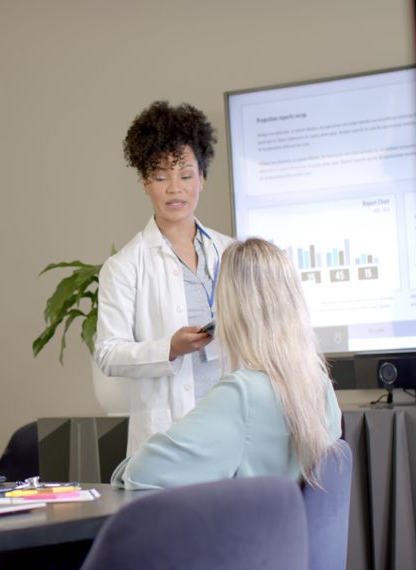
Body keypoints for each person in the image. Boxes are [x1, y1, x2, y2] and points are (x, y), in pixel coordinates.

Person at [111, 238, 342, 490]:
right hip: (295, 530)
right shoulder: (321, 385)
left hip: (246, 529)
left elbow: (143, 472)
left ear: (233, 310)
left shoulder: (242, 394)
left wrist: (126, 466)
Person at [94, 101, 234, 454]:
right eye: (160, 176)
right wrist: (168, 349)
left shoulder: (230, 252)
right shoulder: (125, 266)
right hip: (171, 437)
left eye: (186, 175)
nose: (175, 188)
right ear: (145, 183)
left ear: (201, 179)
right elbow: (108, 353)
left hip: (231, 428)